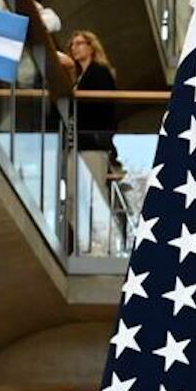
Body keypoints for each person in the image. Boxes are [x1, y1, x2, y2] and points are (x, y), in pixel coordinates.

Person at [58, 30, 122, 255]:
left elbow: (103, 109)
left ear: (91, 47)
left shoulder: (99, 72)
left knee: (94, 194)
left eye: (79, 43)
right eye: (72, 44)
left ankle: (102, 245)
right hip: (77, 145)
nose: (75, 48)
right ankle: (81, 245)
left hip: (93, 144)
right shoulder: (77, 78)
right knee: (75, 196)